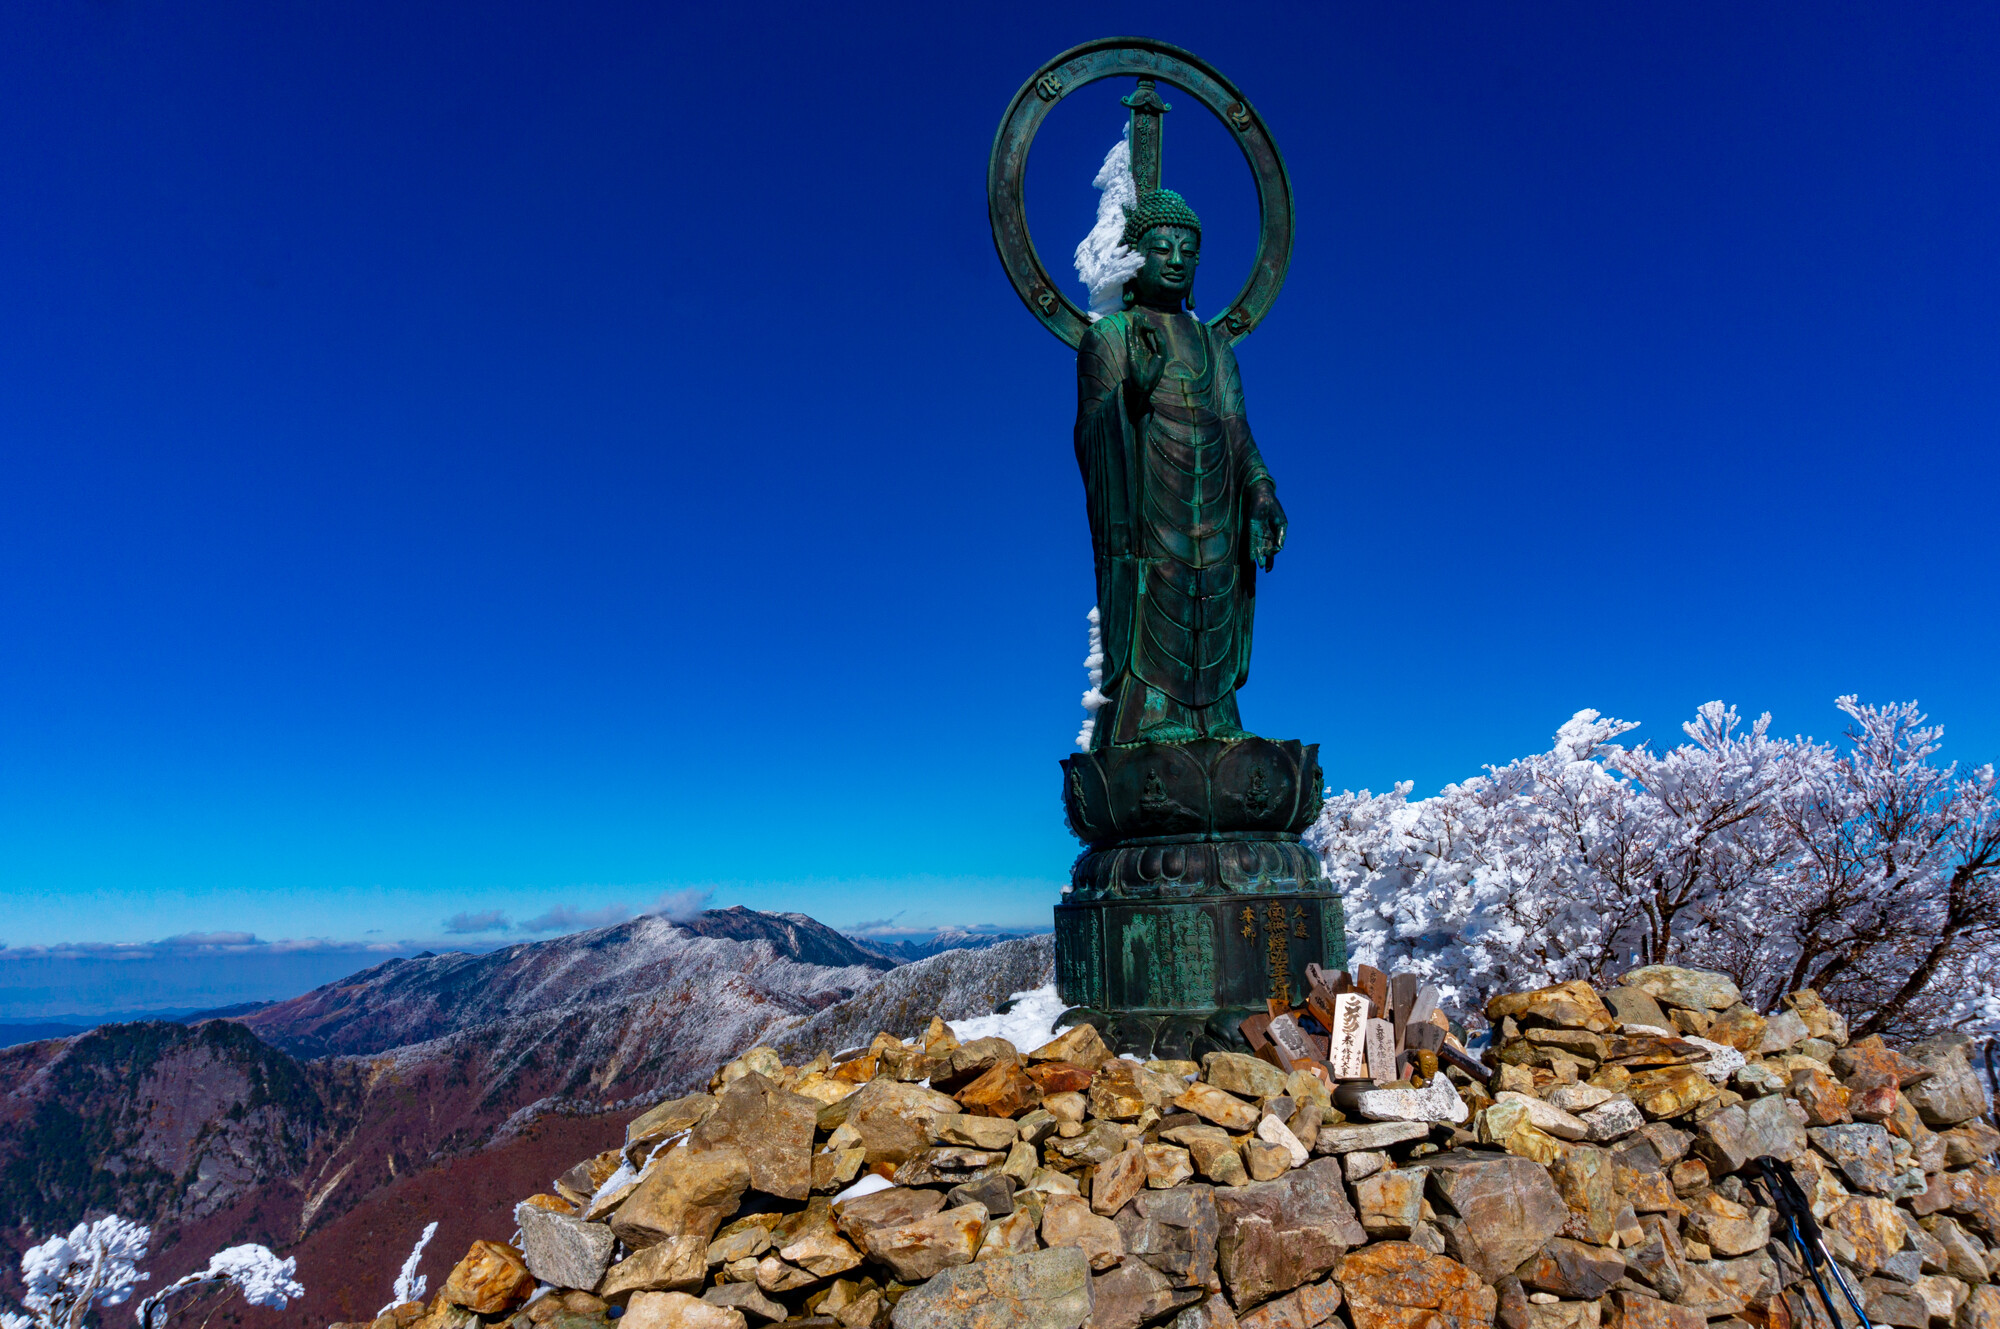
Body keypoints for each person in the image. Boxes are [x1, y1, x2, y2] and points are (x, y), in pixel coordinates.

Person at [1073, 188, 1288, 748]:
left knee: (1216, 587)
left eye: (1187, 252)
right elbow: (1091, 432)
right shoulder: (1110, 337)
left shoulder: (1217, 347)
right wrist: (1132, 393)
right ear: (1133, 260)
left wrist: (1261, 489)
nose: (1174, 260)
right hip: (1148, 510)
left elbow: (1236, 427)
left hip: (1216, 505)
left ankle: (1216, 718)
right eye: (1160, 248)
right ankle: (1149, 718)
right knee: (1158, 591)